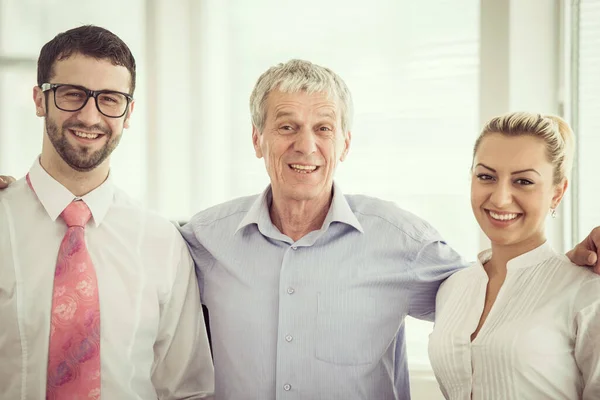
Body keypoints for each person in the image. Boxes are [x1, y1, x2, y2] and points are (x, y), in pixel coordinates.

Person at [2, 59, 599, 399]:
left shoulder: (406, 244)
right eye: (285, 126)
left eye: (323, 128)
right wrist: (25, 201)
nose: (304, 146)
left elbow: (495, 294)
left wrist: (575, 257)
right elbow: (112, 241)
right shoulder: (199, 241)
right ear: (257, 139)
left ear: (345, 141)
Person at [0, 26, 214, 399]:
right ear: (39, 100)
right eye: (72, 94)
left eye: (110, 99)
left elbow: (187, 389)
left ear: (128, 112)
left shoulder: (162, 242)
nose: (89, 116)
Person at [428, 112, 600, 399]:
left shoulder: (586, 293)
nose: (500, 198)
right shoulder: (452, 287)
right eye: (486, 176)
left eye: (523, 181)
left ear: (557, 193)